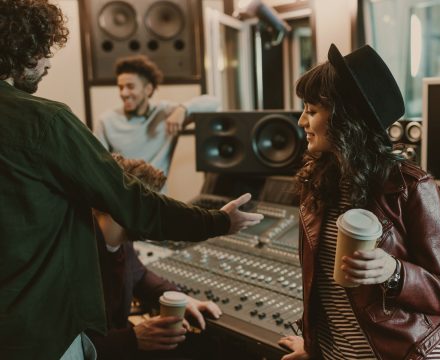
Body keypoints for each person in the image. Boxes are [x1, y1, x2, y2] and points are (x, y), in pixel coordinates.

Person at [0, 1, 263, 359]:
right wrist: (218, 220)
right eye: (44, 51)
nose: (47, 62)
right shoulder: (45, 121)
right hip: (39, 336)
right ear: (21, 47)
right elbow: (131, 202)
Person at [277, 44, 440, 360]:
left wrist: (394, 270)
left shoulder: (411, 185)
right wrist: (315, 346)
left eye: (312, 110)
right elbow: (321, 289)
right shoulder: (316, 183)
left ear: (345, 118)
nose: (301, 122)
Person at [87, 154, 221, 359]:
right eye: (149, 209)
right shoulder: (76, 251)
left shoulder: (122, 241)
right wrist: (133, 339)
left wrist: (177, 297)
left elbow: (139, 275)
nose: (154, 219)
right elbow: (65, 344)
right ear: (123, 206)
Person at [94, 54, 220, 178]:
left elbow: (214, 102)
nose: (124, 93)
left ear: (148, 89)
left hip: (157, 196)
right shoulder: (106, 121)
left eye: (130, 87)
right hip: (121, 196)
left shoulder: (164, 112)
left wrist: (183, 109)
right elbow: (98, 166)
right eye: (120, 87)